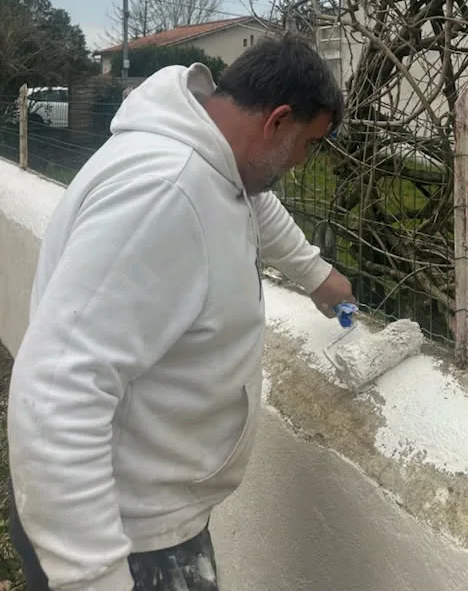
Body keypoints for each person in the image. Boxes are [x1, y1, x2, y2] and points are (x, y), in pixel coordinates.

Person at [7, 31, 354, 591]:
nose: (302, 161)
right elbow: (56, 394)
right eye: (309, 144)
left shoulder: (212, 156)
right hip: (120, 537)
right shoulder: (165, 194)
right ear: (277, 120)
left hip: (150, 519)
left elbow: (255, 204)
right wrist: (92, 576)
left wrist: (317, 276)